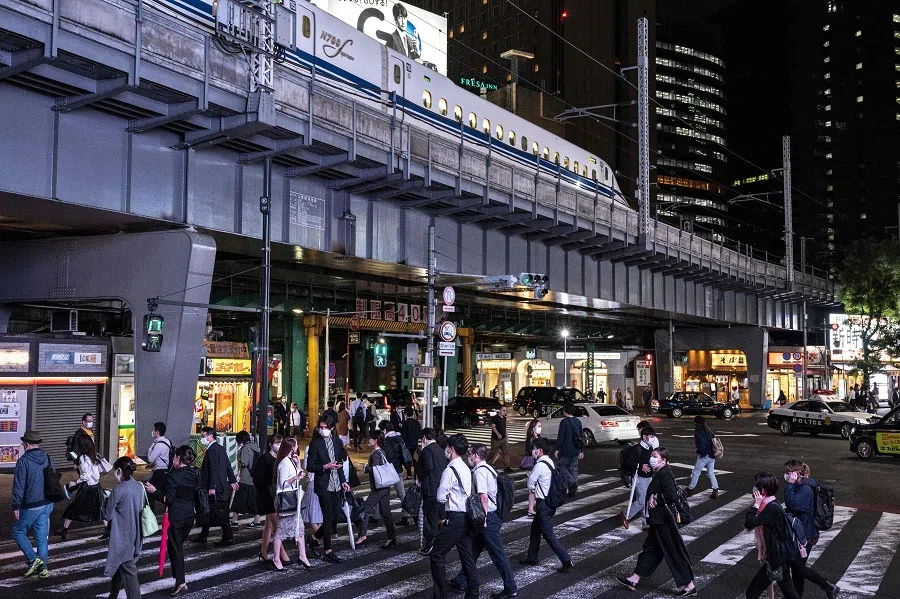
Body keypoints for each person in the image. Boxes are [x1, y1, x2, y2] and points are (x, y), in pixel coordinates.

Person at [616, 447, 696, 596]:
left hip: (665, 521)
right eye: (651, 455)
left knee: (674, 551)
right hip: (658, 520)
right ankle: (634, 578)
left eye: (655, 456)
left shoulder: (664, 474)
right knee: (650, 549)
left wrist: (656, 498)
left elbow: (671, 496)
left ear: (663, 460)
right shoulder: (660, 472)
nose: (651, 458)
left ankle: (689, 585)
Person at [449, 443, 517, 599]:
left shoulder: (480, 472)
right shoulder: (489, 468)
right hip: (491, 516)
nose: (468, 457)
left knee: (498, 554)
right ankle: (461, 579)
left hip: (488, 518)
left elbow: (483, 497)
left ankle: (511, 588)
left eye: (470, 454)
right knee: (473, 549)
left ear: (476, 456)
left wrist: (483, 520)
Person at [146, 445, 200, 597]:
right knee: (174, 547)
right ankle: (178, 578)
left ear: (177, 458)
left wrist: (154, 492)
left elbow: (168, 499)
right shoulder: (195, 473)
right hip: (190, 515)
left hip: (176, 517)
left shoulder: (173, 476)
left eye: (174, 457)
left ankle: (181, 583)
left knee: (176, 550)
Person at [430, 434, 479, 598]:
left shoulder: (450, 470)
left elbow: (440, 497)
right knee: (467, 559)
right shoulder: (465, 467)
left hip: (455, 518)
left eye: (447, 447)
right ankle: (473, 593)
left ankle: (440, 595)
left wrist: (442, 516)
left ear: (451, 449)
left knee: (436, 554)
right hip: (466, 518)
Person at [783, 461, 840, 598]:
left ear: (795, 474)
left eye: (787, 472)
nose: (785, 475)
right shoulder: (804, 485)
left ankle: (828, 587)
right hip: (802, 532)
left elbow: (793, 504)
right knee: (797, 568)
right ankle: (799, 594)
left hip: (806, 534)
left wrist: (790, 485)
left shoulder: (805, 489)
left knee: (799, 567)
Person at [743, 472, 802, 599]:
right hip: (780, 557)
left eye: (756, 486)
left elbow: (749, 523)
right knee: (790, 593)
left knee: (751, 593)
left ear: (762, 491)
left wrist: (755, 505)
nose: (754, 488)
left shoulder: (771, 508)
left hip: (777, 559)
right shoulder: (771, 504)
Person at [521, 437, 572, 572]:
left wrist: (533, 489)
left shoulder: (539, 465)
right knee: (535, 530)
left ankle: (566, 560)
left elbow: (530, 483)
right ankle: (532, 557)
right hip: (550, 502)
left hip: (543, 504)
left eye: (534, 449)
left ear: (540, 451)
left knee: (548, 534)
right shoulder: (550, 461)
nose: (533, 451)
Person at [306, 416, 351, 563]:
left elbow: (339, 463)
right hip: (323, 484)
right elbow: (310, 466)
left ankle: (313, 538)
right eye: (321, 427)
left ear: (332, 428)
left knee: (336, 517)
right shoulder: (316, 443)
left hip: (336, 483)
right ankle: (328, 551)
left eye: (326, 427)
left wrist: (343, 480)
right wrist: (325, 467)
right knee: (328, 516)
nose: (323, 430)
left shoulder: (337, 442)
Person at [12, 430, 54, 579]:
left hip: (31, 504)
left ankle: (32, 560)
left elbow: (19, 485)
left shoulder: (23, 461)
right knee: (41, 537)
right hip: (47, 503)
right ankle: (43, 568)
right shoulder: (47, 457)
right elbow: (52, 478)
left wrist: (16, 505)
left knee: (17, 532)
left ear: (27, 444)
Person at [102, 457, 144, 599]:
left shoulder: (118, 490)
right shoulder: (139, 486)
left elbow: (107, 514)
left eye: (116, 471)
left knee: (128, 570)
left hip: (122, 535)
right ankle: (113, 595)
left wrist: (105, 500)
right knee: (119, 567)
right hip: (136, 532)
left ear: (119, 470)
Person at [57, 435, 108, 539]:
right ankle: (108, 531)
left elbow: (86, 476)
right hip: (96, 486)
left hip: (87, 487)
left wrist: (74, 483)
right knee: (101, 507)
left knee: (73, 508)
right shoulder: (94, 454)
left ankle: (64, 531)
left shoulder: (83, 457)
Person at [273, 437, 312, 571]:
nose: (297, 448)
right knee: (281, 531)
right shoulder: (284, 463)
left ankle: (302, 555)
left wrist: (298, 466)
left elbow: (298, 476)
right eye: (295, 445)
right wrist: (296, 477)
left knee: (299, 529)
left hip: (293, 500)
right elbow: (283, 482)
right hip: (286, 501)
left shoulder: (291, 461)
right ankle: (276, 558)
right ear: (291, 447)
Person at [194, 427, 238, 545]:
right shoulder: (220, 448)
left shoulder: (212, 450)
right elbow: (228, 465)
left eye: (203, 436)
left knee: (217, 511)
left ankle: (227, 537)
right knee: (211, 510)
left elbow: (213, 469)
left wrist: (212, 487)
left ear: (210, 436)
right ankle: (204, 535)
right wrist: (233, 480)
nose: (201, 438)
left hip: (215, 487)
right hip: (222, 485)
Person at [356, 430, 398, 549]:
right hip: (386, 486)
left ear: (375, 441)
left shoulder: (375, 454)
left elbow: (375, 470)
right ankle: (391, 537)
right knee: (386, 512)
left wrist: (366, 468)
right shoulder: (383, 452)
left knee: (365, 509)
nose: (369, 440)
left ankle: (362, 535)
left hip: (379, 488)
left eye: (370, 439)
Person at [417, 427, 448, 555]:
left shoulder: (427, 451)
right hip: (439, 487)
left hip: (430, 488)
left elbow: (428, 467)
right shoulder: (440, 450)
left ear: (424, 438)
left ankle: (430, 544)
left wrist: (420, 478)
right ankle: (439, 542)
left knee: (430, 518)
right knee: (438, 516)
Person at [620, 426, 658, 529]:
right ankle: (625, 515)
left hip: (649, 477)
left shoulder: (649, 448)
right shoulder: (637, 449)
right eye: (651, 436)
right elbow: (628, 462)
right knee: (641, 501)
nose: (653, 438)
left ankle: (645, 524)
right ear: (645, 437)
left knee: (647, 501)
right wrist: (640, 466)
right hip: (639, 478)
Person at [254, 433, 282, 563]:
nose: (279, 445)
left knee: (269, 526)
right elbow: (258, 479)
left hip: (277, 495)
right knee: (276, 526)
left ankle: (264, 551)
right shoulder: (264, 458)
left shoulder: (281, 458)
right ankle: (283, 555)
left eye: (281, 442)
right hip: (267, 495)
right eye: (277, 443)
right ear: (270, 444)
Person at [381, 421, 412, 526]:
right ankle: (406, 514)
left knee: (380, 492)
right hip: (398, 469)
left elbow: (388, 456)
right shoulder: (399, 438)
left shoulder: (387, 441)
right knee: (402, 494)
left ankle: (376, 515)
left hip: (388, 470)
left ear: (384, 430)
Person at [230, 431, 261, 528]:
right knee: (253, 500)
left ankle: (234, 520)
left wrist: (239, 458)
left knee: (238, 500)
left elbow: (244, 462)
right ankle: (257, 520)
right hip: (254, 477)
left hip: (246, 477)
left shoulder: (245, 448)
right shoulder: (255, 447)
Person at [685, 416, 719, 499]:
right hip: (712, 456)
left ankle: (690, 489)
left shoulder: (698, 432)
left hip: (704, 456)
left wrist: (699, 451)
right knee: (711, 473)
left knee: (696, 473)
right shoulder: (708, 430)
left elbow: (701, 446)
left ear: (697, 423)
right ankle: (715, 489)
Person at [554, 402, 583, 497]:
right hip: (575, 449)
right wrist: (581, 450)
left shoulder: (564, 422)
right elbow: (581, 437)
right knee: (573, 469)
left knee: (561, 467)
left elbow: (561, 437)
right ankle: (573, 489)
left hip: (566, 450)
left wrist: (557, 449)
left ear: (565, 410)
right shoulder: (578, 421)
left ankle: (572, 483)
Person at [146, 422, 172, 495]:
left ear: (157, 432)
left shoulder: (159, 445)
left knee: (149, 489)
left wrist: (150, 448)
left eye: (153, 430)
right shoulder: (167, 441)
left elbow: (150, 459)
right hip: (166, 470)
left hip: (160, 471)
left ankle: (150, 506)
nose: (152, 432)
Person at [487, 405, 512, 472]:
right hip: (496, 439)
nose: (505, 412)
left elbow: (505, 428)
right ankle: (486, 462)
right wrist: (497, 434)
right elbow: (493, 426)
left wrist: (507, 436)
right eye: (503, 410)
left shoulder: (504, 418)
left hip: (503, 439)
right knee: (493, 452)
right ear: (500, 411)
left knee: (505, 452)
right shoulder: (495, 418)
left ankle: (507, 466)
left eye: (505, 410)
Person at [401, 406, 422, 478]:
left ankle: (409, 474)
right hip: (415, 443)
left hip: (407, 444)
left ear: (405, 414)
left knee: (408, 459)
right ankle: (416, 472)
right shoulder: (416, 423)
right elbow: (419, 433)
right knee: (414, 458)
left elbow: (403, 434)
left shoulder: (405, 423)